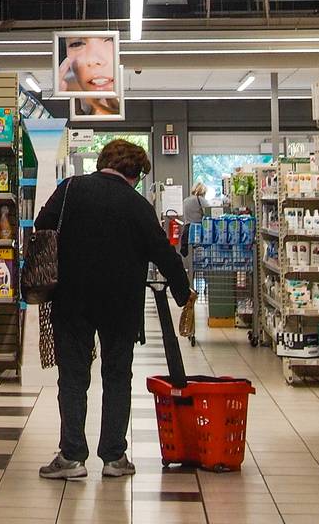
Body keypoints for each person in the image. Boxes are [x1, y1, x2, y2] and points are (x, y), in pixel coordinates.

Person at [36, 139, 194, 481]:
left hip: (72, 301)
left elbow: (41, 224)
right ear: (135, 174)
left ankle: (72, 456)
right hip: (121, 307)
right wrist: (183, 294)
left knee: (74, 377)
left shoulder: (70, 189)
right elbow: (163, 253)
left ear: (102, 162)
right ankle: (114, 457)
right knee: (117, 376)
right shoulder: (137, 204)